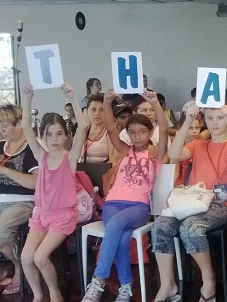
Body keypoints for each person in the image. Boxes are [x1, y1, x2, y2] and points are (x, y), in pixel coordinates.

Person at [81, 89, 169, 302]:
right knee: (120, 237)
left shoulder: (154, 153)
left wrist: (155, 103)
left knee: (115, 226)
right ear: (127, 134)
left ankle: (98, 279)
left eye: (142, 132)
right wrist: (108, 102)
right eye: (132, 132)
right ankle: (125, 287)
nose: (137, 136)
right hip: (112, 203)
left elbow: (165, 129)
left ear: (150, 133)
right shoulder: (124, 150)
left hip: (138, 207)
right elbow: (110, 128)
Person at [152, 104, 227, 302]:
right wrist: (187, 121)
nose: (214, 123)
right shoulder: (198, 145)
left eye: (219, 118)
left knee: (191, 227)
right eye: (210, 118)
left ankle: (208, 279)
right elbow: (175, 154)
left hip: (219, 205)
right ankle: (168, 283)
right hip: (192, 202)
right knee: (160, 225)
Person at [19, 83, 85, 302]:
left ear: (65, 135)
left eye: (59, 134)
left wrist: (73, 97)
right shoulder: (42, 156)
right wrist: (28, 99)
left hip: (63, 215)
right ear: (44, 137)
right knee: (26, 256)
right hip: (41, 215)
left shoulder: (70, 158)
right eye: (49, 135)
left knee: (39, 256)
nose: (54, 139)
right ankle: (38, 295)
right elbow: (27, 127)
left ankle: (55, 292)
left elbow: (83, 128)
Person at [0, 103, 39, 295]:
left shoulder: (32, 147)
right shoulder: (1, 146)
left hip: (23, 201)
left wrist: (5, 170)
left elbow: (36, 183)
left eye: (5, 126)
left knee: (1, 229)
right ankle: (6, 266)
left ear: (19, 124)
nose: (1, 130)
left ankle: (18, 267)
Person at [80, 94, 116, 163]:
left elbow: (113, 160)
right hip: (82, 171)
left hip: (104, 172)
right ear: (87, 112)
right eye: (93, 110)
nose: (97, 113)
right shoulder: (82, 132)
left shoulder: (110, 132)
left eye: (101, 110)